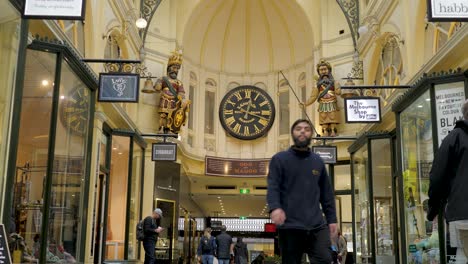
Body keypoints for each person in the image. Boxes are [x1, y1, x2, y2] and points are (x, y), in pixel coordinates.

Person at [267, 118, 337, 263]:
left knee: (325, 259)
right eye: (298, 129)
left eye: (306, 129)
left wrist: (332, 220)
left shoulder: (317, 161)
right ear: (293, 133)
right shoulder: (280, 159)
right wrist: (275, 208)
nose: (302, 131)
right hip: (290, 225)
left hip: (316, 225)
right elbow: (273, 186)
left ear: (311, 133)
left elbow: (326, 194)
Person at [427, 99, 468, 264]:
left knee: (462, 256)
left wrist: (433, 208)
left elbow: (438, 176)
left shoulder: (454, 138)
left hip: (462, 215)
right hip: (462, 214)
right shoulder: (456, 138)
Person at [301, 60, 342, 137]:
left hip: (332, 102)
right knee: (323, 118)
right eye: (321, 70)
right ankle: (325, 131)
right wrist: (305, 104)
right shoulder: (317, 86)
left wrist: (338, 89)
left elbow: (338, 92)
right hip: (323, 103)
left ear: (329, 70)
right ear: (319, 72)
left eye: (325, 69)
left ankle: (333, 131)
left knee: (333, 116)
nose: (323, 72)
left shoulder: (334, 82)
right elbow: (313, 97)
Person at [152, 50, 190, 133]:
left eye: (177, 69)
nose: (175, 70)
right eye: (174, 68)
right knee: (163, 115)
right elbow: (158, 87)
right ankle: (161, 128)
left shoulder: (178, 82)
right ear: (169, 68)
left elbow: (181, 92)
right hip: (164, 98)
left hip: (174, 101)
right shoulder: (163, 79)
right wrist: (157, 85)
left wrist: (182, 99)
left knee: (171, 116)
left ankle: (169, 129)